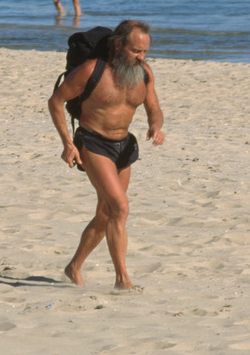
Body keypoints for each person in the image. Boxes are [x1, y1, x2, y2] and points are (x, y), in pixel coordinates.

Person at [47, 20, 165, 290]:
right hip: (93, 143)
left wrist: (155, 125)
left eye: (145, 52)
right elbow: (55, 101)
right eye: (136, 51)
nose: (141, 57)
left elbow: (154, 106)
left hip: (124, 145)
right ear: (118, 44)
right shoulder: (91, 71)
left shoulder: (143, 74)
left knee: (105, 213)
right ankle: (123, 279)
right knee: (120, 208)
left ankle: (73, 266)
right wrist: (67, 143)